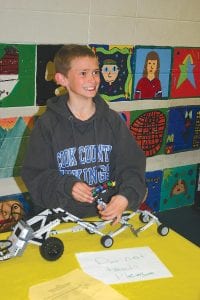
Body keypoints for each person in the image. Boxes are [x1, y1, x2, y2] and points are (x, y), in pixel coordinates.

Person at [21, 44, 146, 224]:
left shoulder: (112, 120)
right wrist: (67, 185)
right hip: (61, 218)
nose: (93, 79)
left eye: (95, 72)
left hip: (108, 216)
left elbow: (132, 166)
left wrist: (124, 198)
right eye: (83, 73)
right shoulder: (47, 125)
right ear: (62, 79)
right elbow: (36, 176)